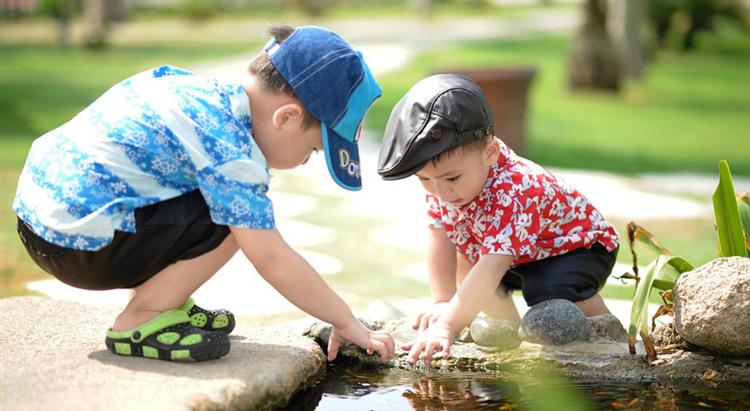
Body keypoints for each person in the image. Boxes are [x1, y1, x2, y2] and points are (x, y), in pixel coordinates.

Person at [14, 24, 394, 363]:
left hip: (41, 221)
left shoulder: (196, 91)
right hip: (79, 246)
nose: (303, 162)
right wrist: (345, 320)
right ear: (287, 118)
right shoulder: (231, 150)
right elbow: (271, 258)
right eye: (313, 151)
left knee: (218, 200)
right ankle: (142, 318)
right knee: (239, 219)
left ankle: (165, 301)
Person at [377, 74, 619, 366]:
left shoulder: (516, 188)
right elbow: (439, 236)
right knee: (467, 261)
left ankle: (607, 334)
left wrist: (448, 326)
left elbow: (494, 264)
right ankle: (508, 336)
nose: (440, 191)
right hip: (520, 254)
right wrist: (443, 300)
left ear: (490, 153)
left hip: (577, 249)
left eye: (452, 178)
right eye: (424, 180)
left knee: (547, 291)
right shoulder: (446, 184)